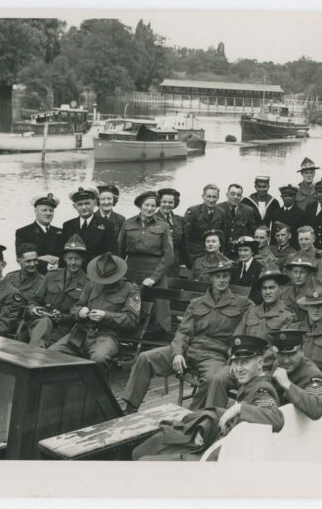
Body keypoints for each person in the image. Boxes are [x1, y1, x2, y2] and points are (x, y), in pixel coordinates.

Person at [121, 260, 253, 413]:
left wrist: (234, 355)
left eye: (225, 276)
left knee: (212, 379)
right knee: (145, 358)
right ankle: (129, 409)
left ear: (230, 278)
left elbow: (247, 326)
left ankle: (191, 418)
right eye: (218, 276)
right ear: (211, 278)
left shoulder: (243, 304)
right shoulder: (197, 303)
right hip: (189, 349)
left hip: (214, 355)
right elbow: (183, 332)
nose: (222, 280)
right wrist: (177, 353)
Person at [131, 334, 283, 461]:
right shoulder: (249, 383)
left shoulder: (262, 390)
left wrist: (239, 408)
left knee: (144, 460)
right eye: (235, 363)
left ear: (260, 363)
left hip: (218, 457)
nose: (239, 369)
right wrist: (206, 425)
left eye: (245, 363)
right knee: (148, 446)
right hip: (217, 443)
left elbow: (276, 419)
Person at [48, 253, 140, 371]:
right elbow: (76, 307)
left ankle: (97, 389)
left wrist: (105, 316)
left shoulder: (130, 289)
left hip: (107, 336)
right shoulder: (93, 283)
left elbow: (132, 320)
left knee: (99, 359)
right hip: (81, 333)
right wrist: (80, 311)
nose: (103, 282)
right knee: (51, 353)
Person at [118, 191, 175, 333]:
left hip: (155, 270)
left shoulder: (163, 226)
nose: (150, 209)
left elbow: (169, 256)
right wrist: (120, 275)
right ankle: (128, 334)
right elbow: (119, 252)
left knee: (160, 309)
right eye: (146, 205)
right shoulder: (127, 223)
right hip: (132, 270)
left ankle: (159, 336)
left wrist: (154, 277)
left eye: (153, 206)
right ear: (140, 206)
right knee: (131, 304)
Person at [23, 234, 87, 348]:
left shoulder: (88, 283)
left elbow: (83, 315)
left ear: (83, 259)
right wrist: (33, 309)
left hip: (66, 329)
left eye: (77, 258)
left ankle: (35, 356)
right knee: (43, 323)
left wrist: (62, 317)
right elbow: (35, 300)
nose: (73, 262)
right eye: (70, 258)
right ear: (64, 259)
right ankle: (37, 354)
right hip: (41, 323)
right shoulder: (51, 275)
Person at [267, 329, 322, 419]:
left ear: (302, 351)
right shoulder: (278, 363)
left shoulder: (312, 374)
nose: (286, 360)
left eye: (291, 354)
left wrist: (287, 384)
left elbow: (317, 410)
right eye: (281, 354)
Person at [62, 187, 116, 265]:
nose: (84, 207)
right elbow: (63, 253)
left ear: (94, 203)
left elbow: (112, 253)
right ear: (74, 206)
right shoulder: (68, 225)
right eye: (80, 204)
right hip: (73, 270)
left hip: (96, 270)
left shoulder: (107, 225)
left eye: (87, 203)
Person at [15, 193, 66, 274]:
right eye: (44, 210)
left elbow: (65, 256)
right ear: (36, 211)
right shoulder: (23, 232)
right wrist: (46, 265)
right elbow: (21, 258)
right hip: (34, 275)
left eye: (51, 210)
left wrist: (58, 264)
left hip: (57, 275)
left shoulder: (60, 232)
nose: (48, 213)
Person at [182, 184, 227, 261]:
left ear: (218, 198)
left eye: (214, 197)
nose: (211, 200)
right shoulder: (193, 211)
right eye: (208, 196)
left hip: (214, 255)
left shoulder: (221, 212)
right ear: (203, 196)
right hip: (196, 255)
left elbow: (222, 236)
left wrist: (221, 253)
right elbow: (185, 238)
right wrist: (188, 259)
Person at [216, 183, 259, 256]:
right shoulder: (218, 208)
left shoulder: (248, 210)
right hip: (222, 251)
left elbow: (253, 232)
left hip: (240, 252)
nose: (235, 197)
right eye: (232, 194)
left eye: (238, 195)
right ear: (227, 194)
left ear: (241, 197)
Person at [157, 187, 193, 274]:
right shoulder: (153, 219)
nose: (167, 205)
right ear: (159, 202)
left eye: (170, 202)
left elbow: (183, 245)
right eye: (164, 202)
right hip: (157, 265)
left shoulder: (179, 220)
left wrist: (190, 265)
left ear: (175, 204)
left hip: (174, 265)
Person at [230, 236, 263, 302]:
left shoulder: (259, 268)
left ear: (253, 251)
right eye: (240, 250)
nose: (242, 253)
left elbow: (259, 293)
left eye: (246, 250)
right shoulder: (234, 268)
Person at [273, 184, 305, 248]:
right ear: (281, 197)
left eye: (290, 196)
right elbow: (274, 234)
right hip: (279, 247)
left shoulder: (301, 213)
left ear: (295, 197)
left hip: (295, 247)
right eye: (285, 196)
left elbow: (302, 234)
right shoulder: (276, 213)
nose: (288, 198)